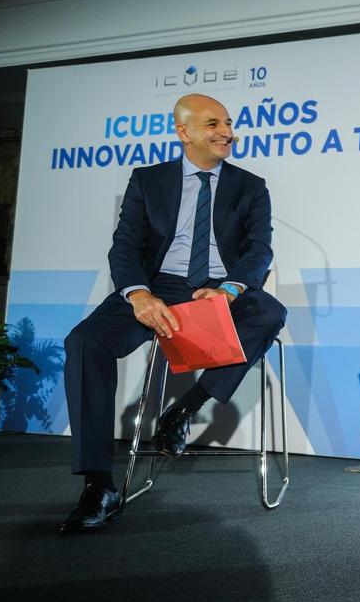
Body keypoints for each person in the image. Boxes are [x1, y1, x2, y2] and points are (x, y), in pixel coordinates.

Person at [59, 93, 287, 533]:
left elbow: (259, 250)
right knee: (84, 342)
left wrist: (230, 290)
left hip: (222, 288)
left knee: (270, 312)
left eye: (228, 123)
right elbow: (124, 246)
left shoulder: (250, 186)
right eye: (212, 124)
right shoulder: (148, 181)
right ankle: (98, 482)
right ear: (183, 132)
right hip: (157, 285)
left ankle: (185, 410)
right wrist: (138, 294)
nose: (226, 132)